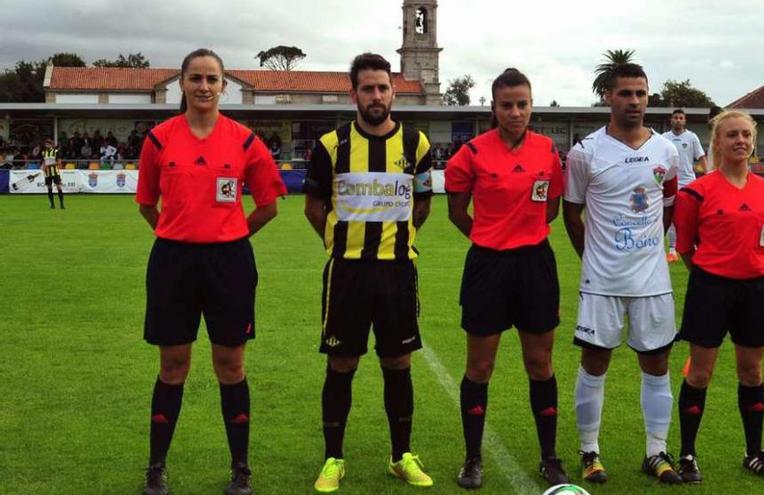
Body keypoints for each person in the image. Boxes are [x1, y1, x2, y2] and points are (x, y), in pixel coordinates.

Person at [135, 48, 286, 495]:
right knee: (173, 366)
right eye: (195, 78)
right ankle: (156, 467)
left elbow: (269, 205)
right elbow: (147, 204)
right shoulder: (159, 139)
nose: (204, 86)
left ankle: (241, 468)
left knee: (230, 365)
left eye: (212, 79)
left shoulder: (244, 141)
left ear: (224, 87)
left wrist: (230, 235)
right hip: (173, 263)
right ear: (181, 83)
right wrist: (177, 232)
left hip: (230, 264)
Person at [303, 52, 434, 493]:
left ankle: (401, 456)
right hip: (347, 273)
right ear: (353, 92)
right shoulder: (330, 145)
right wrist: (344, 241)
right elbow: (314, 206)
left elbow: (423, 202)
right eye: (367, 88)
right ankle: (333, 459)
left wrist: (399, 237)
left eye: (382, 87)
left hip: (397, 271)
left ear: (393, 91)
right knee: (342, 363)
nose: (376, 95)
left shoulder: (417, 144)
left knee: (398, 362)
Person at [445, 68, 568, 489]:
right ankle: (472, 458)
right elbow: (457, 212)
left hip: (535, 265)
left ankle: (550, 457)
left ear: (531, 105)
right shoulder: (472, 153)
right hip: (487, 267)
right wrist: (490, 238)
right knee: (480, 366)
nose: (515, 112)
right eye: (506, 105)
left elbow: (550, 207)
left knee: (540, 363)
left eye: (522, 104)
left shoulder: (548, 150)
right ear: (493, 107)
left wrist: (521, 235)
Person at [563, 62, 682, 485]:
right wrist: (593, 258)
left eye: (641, 93)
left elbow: (668, 205)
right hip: (602, 281)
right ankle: (590, 451)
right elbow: (572, 214)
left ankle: (656, 451)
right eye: (625, 93)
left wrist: (648, 248)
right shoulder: (586, 152)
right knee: (595, 361)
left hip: (651, 280)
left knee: (657, 362)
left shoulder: (666, 151)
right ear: (608, 97)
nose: (634, 101)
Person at [673, 110, 764, 482]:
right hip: (710, 288)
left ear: (753, 142)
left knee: (751, 371)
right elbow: (686, 246)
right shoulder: (697, 192)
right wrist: (711, 276)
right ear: (717, 143)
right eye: (731, 135)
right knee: (700, 373)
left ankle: (754, 452)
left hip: (756, 288)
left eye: (746, 135)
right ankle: (687, 454)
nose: (740, 141)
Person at [662, 109, 706, 263]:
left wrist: (707, 176)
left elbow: (701, 156)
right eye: (676, 117)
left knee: (693, 216)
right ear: (671, 120)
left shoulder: (692, 137)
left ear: (685, 120)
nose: (678, 120)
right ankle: (672, 251)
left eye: (681, 118)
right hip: (671, 181)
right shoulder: (664, 138)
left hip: (689, 181)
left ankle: (698, 246)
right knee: (672, 215)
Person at [40, 139, 64, 209]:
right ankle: (52, 204)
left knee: (59, 187)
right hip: (47, 173)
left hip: (55, 172)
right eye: (46, 144)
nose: (46, 145)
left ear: (51, 145)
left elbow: (59, 162)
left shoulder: (56, 152)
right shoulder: (43, 153)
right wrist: (42, 166)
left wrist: (49, 165)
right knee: (49, 188)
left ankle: (62, 204)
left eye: (48, 144)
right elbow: (43, 162)